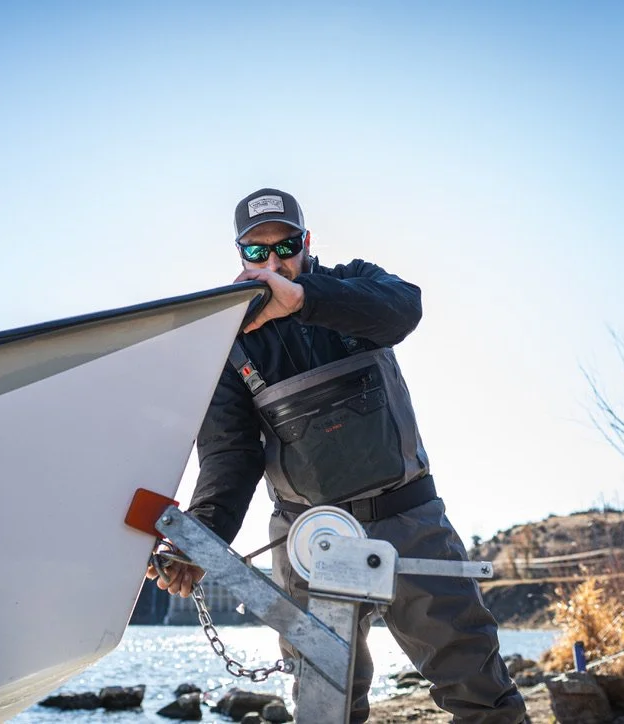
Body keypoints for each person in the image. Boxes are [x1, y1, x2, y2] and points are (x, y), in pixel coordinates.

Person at [146, 188, 526, 723]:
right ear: (239, 255)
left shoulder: (354, 285)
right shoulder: (228, 341)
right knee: (328, 710)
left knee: (478, 688)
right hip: (307, 542)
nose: (273, 261)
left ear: (307, 243)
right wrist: (198, 545)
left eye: (286, 245)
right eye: (257, 252)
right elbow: (229, 457)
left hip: (409, 520)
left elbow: (404, 310)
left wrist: (301, 299)